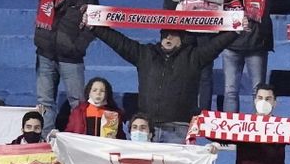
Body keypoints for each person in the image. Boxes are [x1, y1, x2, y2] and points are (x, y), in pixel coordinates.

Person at [90, 25, 239, 144]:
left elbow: (216, 45)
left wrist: (236, 30)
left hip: (178, 130)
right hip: (147, 129)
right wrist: (95, 28)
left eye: (172, 34)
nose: (167, 37)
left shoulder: (194, 57)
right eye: (164, 33)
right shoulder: (145, 54)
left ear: (181, 38)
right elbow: (119, 42)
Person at [19, 0, 98, 119]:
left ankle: (77, 143)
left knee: (77, 104)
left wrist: (77, 46)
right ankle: (46, 142)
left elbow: (94, 26)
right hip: (45, 55)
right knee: (44, 103)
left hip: (71, 58)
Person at [205, 0, 282, 113]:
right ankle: (231, 135)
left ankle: (258, 131)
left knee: (259, 91)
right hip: (231, 39)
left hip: (257, 40)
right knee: (230, 90)